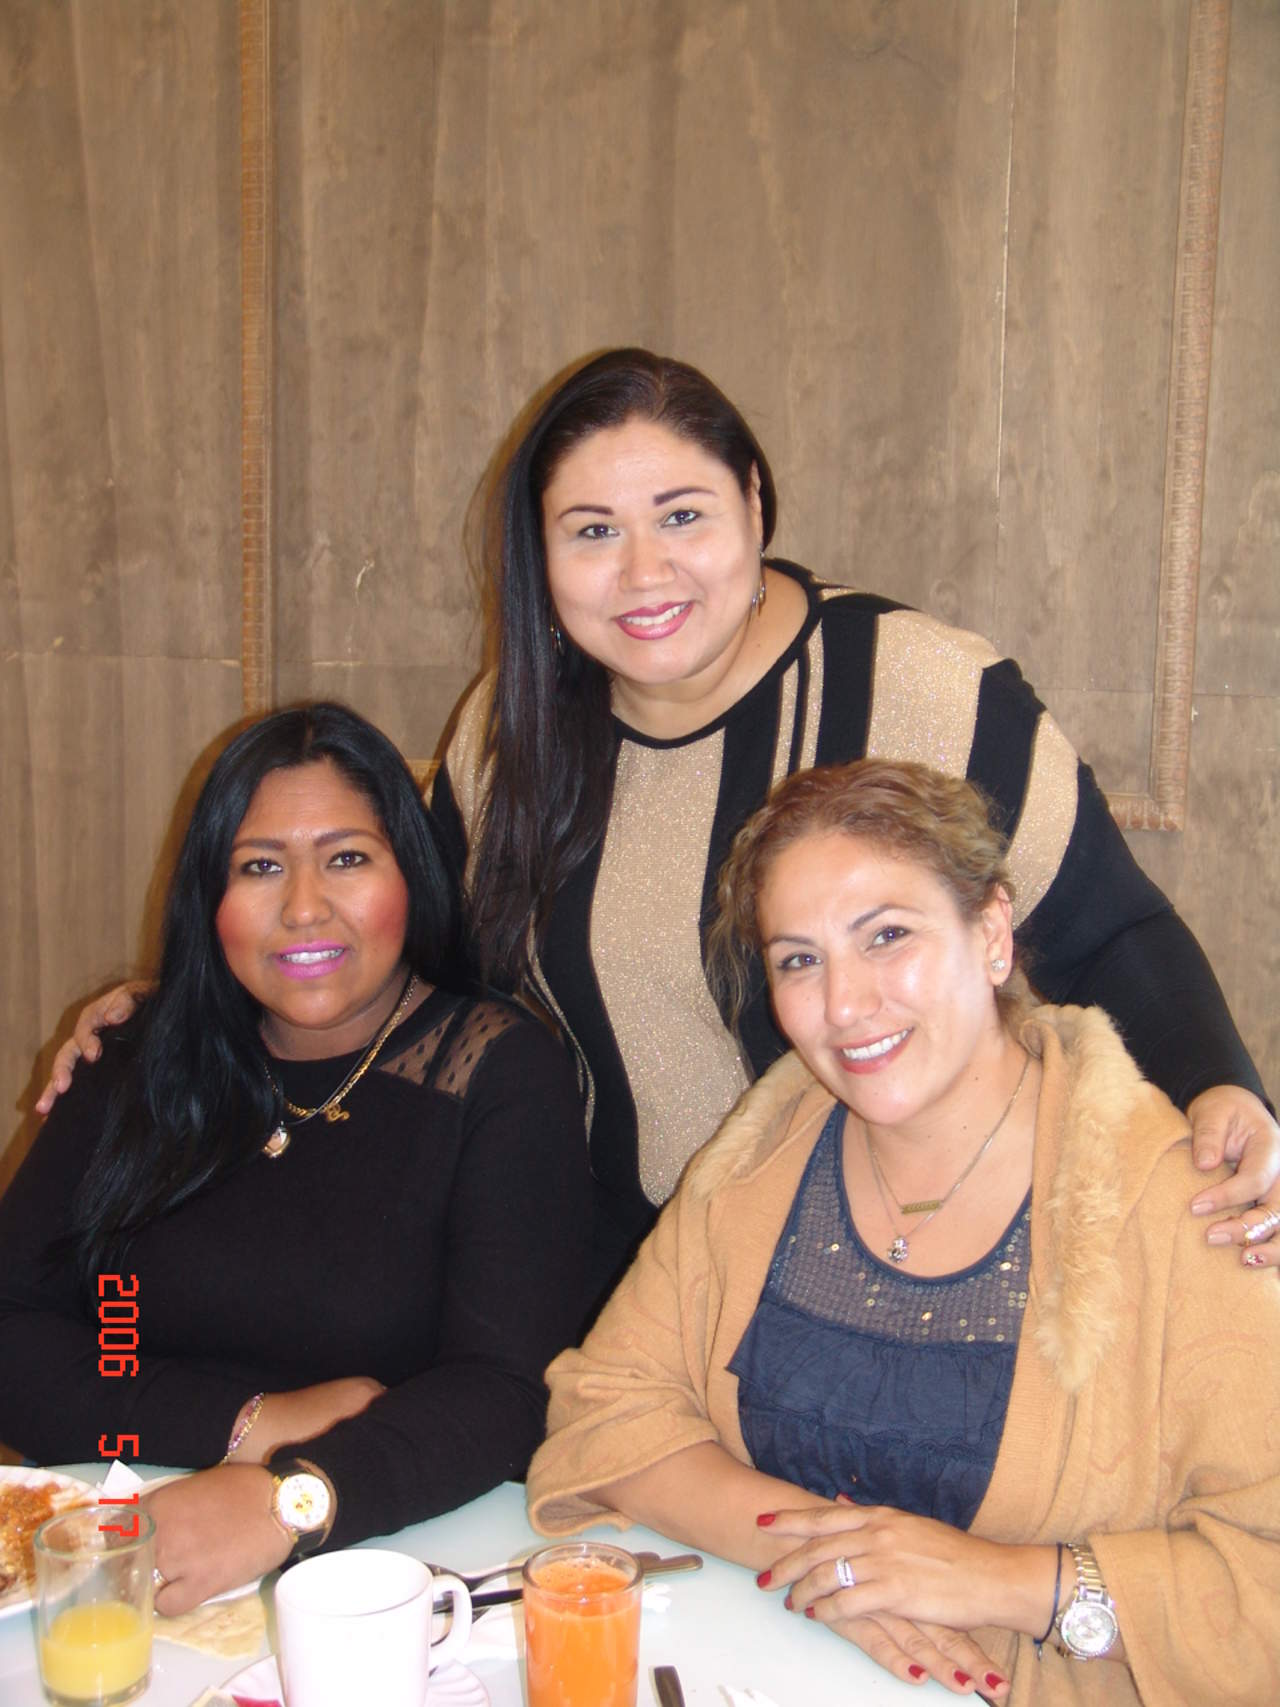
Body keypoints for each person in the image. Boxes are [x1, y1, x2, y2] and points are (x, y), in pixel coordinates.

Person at [39, 351, 1278, 1295]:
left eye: (681, 515)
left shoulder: (921, 688)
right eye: (592, 532)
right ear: (538, 558)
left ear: (753, 502)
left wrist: (1221, 1088)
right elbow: (405, 964)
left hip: (913, 1267)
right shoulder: (510, 733)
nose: (643, 575)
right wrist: (186, 1004)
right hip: (618, 1279)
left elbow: (1111, 933)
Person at [526, 760, 1280, 1704]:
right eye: (799, 959)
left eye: (887, 935)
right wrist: (838, 1562)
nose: (844, 1005)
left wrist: (1004, 1581)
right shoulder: (765, 1154)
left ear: (993, 934)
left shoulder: (1183, 1199)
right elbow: (605, 1408)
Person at [0, 703, 590, 1614]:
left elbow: (507, 1393)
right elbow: (14, 1328)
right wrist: (250, 1426)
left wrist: (291, 1496)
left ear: (411, 873)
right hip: (129, 1548)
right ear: (211, 896)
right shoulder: (136, 1055)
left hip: (392, 1565)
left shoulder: (498, 1073)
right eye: (260, 865)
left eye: (347, 858)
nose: (304, 906)